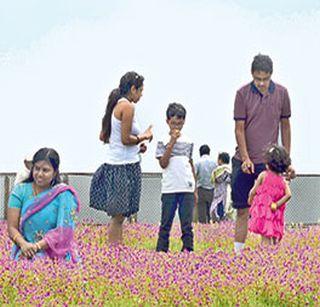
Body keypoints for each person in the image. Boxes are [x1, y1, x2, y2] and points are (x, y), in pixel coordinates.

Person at [232, 54, 295, 254]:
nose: (261, 83)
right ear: (252, 75)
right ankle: (237, 254)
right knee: (242, 209)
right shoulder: (242, 94)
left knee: (270, 211)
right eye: (257, 78)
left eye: (265, 79)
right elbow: (239, 129)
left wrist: (286, 161)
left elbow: (285, 126)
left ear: (271, 76)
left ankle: (268, 257)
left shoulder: (282, 94)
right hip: (245, 160)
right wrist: (245, 158)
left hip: (269, 164)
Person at [90, 71, 153, 244]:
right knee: (118, 217)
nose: (141, 95)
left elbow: (120, 139)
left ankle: (116, 251)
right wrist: (144, 136)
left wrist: (137, 147)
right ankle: (114, 252)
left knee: (120, 216)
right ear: (133, 89)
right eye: (140, 91)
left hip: (123, 162)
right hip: (121, 167)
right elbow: (126, 139)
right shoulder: (128, 107)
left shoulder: (119, 105)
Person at [7, 148, 80, 262]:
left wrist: (37, 247)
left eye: (45, 170)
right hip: (25, 251)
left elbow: (64, 230)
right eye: (37, 169)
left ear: (55, 172)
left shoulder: (64, 195)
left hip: (56, 254)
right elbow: (12, 227)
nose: (39, 174)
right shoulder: (19, 190)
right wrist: (24, 245)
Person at [155, 103, 196, 252]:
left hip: (187, 187)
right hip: (170, 188)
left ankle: (188, 250)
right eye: (173, 122)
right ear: (167, 121)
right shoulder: (162, 140)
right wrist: (171, 142)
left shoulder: (189, 141)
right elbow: (163, 163)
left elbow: (190, 163)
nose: (177, 125)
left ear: (184, 121)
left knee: (187, 224)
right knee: (166, 223)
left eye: (180, 122)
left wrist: (195, 188)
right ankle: (161, 251)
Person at [248, 145, 292, 245]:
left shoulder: (263, 175)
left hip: (265, 211)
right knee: (274, 235)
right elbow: (288, 195)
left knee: (265, 236)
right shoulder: (282, 180)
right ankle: (274, 255)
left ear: (268, 163)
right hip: (275, 212)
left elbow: (253, 191)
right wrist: (277, 204)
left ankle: (266, 257)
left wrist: (250, 199)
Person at [194, 145, 216, 224]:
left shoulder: (197, 162)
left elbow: (194, 176)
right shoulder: (214, 162)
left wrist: (194, 191)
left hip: (201, 189)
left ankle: (203, 231)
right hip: (212, 189)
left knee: (202, 213)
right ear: (209, 152)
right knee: (211, 211)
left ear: (200, 152)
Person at [210, 152, 231, 222]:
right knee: (222, 206)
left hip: (218, 190)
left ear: (220, 160)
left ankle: (218, 220)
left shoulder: (217, 170)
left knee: (217, 207)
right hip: (225, 190)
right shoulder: (229, 170)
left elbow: (214, 179)